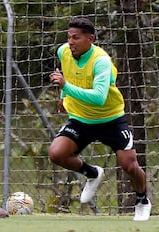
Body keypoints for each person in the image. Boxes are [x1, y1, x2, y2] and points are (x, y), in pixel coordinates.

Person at [48, 17, 151, 221]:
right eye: (69, 37)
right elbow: (66, 73)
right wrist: (63, 97)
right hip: (80, 119)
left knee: (129, 165)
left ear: (90, 39)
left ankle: (142, 200)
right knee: (56, 153)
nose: (71, 42)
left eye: (76, 38)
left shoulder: (101, 61)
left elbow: (98, 97)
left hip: (110, 119)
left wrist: (66, 87)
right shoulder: (63, 51)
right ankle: (93, 173)